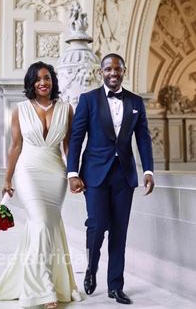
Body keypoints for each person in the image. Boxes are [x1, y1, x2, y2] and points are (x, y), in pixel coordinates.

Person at [0, 61, 81, 309]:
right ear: (31, 82)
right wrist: (8, 178)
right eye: (38, 78)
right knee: (39, 223)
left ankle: (44, 282)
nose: (43, 82)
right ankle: (44, 289)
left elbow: (69, 146)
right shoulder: (20, 109)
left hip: (55, 172)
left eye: (47, 78)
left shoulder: (66, 108)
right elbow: (15, 145)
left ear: (53, 81)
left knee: (46, 227)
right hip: (28, 170)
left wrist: (73, 173)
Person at [67, 53, 154, 305]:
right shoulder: (88, 100)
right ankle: (91, 268)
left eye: (117, 69)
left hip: (124, 176)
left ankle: (116, 286)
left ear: (123, 71)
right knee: (96, 225)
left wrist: (148, 170)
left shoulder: (135, 101)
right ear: (101, 72)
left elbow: (143, 138)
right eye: (108, 69)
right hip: (94, 175)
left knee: (119, 232)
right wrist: (73, 172)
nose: (113, 73)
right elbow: (76, 138)